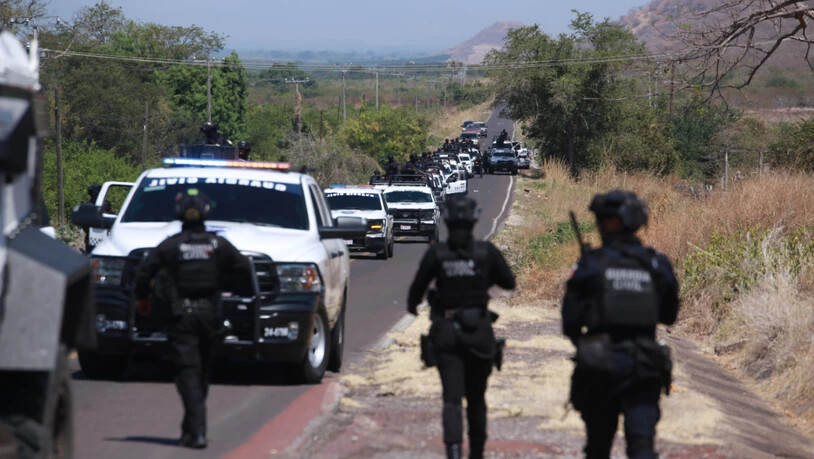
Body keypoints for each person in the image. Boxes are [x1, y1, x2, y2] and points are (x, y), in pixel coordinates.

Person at [562, 190, 679, 459]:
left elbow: (570, 322)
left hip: (600, 366)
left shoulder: (591, 265)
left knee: (598, 447)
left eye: (605, 220)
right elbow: (669, 315)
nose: (601, 226)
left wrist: (587, 344)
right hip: (643, 364)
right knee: (642, 449)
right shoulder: (656, 264)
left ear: (616, 222)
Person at [134, 189, 252, 449]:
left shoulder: (171, 245)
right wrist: (231, 288)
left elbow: (145, 272)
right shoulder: (218, 244)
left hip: (181, 317)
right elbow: (244, 268)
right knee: (201, 372)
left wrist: (143, 298)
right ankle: (192, 429)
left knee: (188, 372)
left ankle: (196, 431)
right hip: (210, 316)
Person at [407, 197, 516, 459]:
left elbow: (415, 294)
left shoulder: (437, 253)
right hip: (478, 330)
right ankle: (476, 452)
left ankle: (454, 452)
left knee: (452, 400)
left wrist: (417, 304)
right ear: (474, 221)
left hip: (447, 332)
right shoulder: (485, 252)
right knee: (477, 399)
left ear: (447, 220)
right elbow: (509, 282)